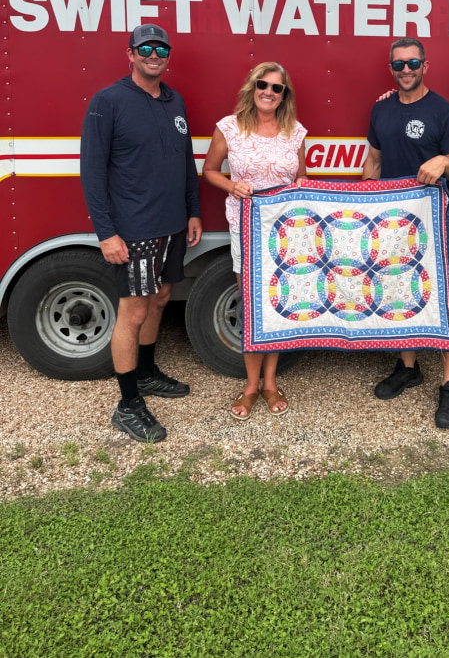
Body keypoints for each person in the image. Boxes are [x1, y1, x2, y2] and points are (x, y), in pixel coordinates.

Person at [80, 24, 202, 443]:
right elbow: (92, 173)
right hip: (132, 231)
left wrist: (192, 212)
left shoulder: (175, 100)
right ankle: (128, 404)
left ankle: (146, 374)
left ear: (169, 56)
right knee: (132, 312)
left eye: (162, 48)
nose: (155, 54)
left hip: (171, 226)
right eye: (146, 48)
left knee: (161, 297)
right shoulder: (108, 102)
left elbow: (185, 162)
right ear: (130, 54)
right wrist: (106, 233)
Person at [362, 38, 449, 428]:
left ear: (426, 65)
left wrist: (443, 160)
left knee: (438, 299)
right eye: (398, 65)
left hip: (431, 226)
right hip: (391, 224)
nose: (405, 70)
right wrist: (365, 211)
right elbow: (373, 161)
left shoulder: (443, 112)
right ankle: (408, 368)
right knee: (397, 292)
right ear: (391, 68)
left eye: (412, 63)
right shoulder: (381, 108)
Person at [202, 62, 307, 420]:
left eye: (277, 88)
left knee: (277, 304)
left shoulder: (295, 132)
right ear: (252, 87)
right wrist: (232, 185)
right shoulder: (229, 127)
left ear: (284, 95)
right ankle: (250, 386)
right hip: (245, 226)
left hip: (286, 234)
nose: (269, 92)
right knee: (251, 306)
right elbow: (210, 170)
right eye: (263, 84)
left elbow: (302, 179)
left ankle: (270, 383)